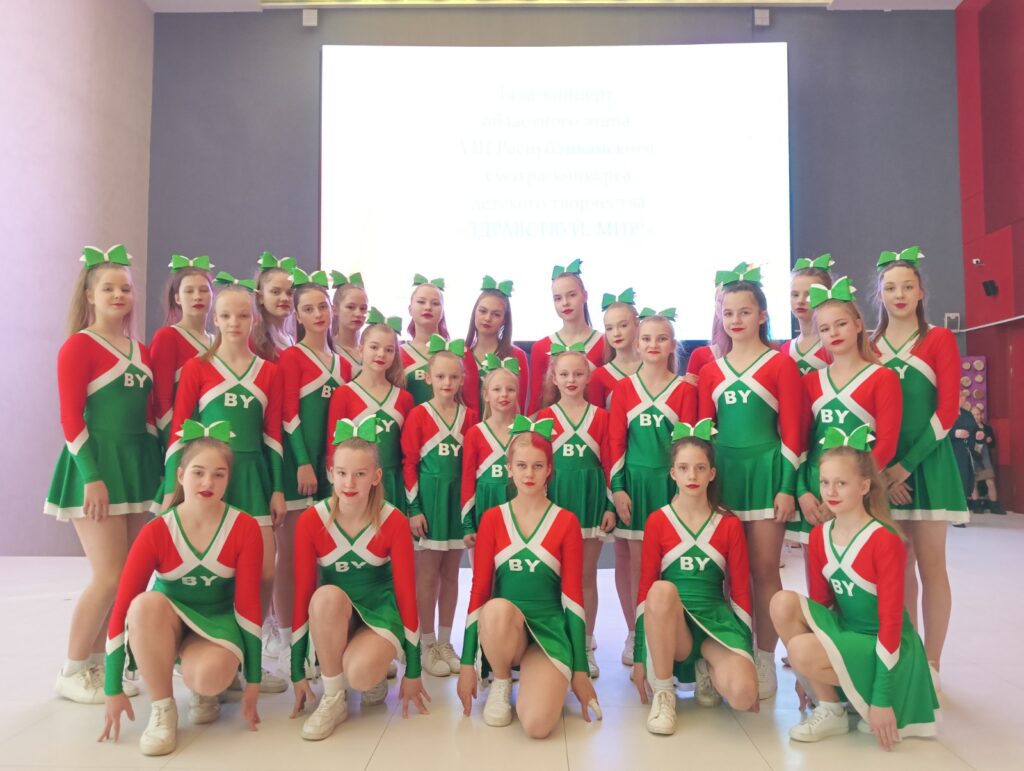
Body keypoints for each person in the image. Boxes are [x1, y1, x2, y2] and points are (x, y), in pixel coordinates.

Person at [99, 422, 262, 755]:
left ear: (228, 479)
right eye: (198, 472)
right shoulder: (157, 530)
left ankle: (205, 685)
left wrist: (254, 682)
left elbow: (248, 608)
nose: (208, 483)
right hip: (167, 622)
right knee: (143, 604)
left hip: (217, 622)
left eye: (218, 475)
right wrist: (112, 687)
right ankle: (163, 709)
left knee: (209, 678)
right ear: (181, 475)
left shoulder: (244, 527)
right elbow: (123, 607)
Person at [771, 428, 939, 749]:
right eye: (824, 483)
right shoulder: (819, 535)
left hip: (887, 645)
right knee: (782, 602)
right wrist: (810, 676)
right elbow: (820, 610)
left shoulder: (885, 540)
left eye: (841, 483)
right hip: (848, 634)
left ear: (864, 486)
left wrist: (882, 699)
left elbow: (891, 622)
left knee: (801, 650)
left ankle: (866, 694)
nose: (830, 492)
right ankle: (831, 706)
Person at [46, 245, 162, 704]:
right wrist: (91, 476)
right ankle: (72, 668)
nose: (118, 295)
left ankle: (97, 664)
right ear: (89, 295)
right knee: (108, 576)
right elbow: (70, 418)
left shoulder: (140, 350)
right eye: (108, 288)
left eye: (126, 289)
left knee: (128, 577)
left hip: (135, 468)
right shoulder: (78, 346)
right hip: (95, 469)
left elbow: (148, 418)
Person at [164, 276, 288, 693]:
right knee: (212, 567)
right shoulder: (196, 368)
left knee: (265, 570)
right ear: (214, 319)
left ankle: (248, 656)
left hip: (253, 477)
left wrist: (276, 488)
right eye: (226, 315)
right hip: (208, 479)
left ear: (254, 320)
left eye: (242, 315)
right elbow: (180, 432)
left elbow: (273, 435)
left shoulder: (269, 372)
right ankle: (206, 654)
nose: (234, 323)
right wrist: (173, 486)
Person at [697, 263, 804, 699]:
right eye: (728, 313)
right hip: (723, 478)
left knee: (763, 571)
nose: (736, 320)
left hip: (765, 476)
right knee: (720, 573)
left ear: (762, 315)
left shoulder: (780, 365)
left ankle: (764, 658)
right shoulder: (711, 370)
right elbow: (703, 434)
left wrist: (786, 486)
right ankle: (726, 654)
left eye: (745, 311)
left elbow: (793, 432)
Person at [456, 422, 601, 737]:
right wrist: (467, 663)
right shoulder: (493, 519)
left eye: (537, 466)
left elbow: (573, 599)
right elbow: (478, 592)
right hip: (506, 629)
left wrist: (580, 670)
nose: (529, 474)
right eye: (521, 465)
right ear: (509, 469)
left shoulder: (566, 521)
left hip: (548, 631)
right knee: (495, 607)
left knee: (537, 726)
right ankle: (501, 679)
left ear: (549, 470)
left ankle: (547, 675)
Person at [289, 418, 429, 740]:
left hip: (378, 613)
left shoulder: (393, 520)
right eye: (341, 473)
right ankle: (333, 698)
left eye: (360, 474)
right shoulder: (311, 521)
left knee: (361, 674)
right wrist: (296, 670)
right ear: (330, 473)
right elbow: (302, 595)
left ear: (376, 477)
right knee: (324, 596)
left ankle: (374, 664)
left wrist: (414, 670)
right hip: (335, 615)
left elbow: (407, 595)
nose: (349, 483)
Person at [872, 246, 969, 683]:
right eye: (891, 287)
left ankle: (932, 662)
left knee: (931, 564)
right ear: (879, 294)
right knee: (897, 565)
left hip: (928, 464)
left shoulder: (939, 339)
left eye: (907, 286)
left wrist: (905, 467)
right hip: (881, 470)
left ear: (920, 292)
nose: (899, 295)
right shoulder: (869, 346)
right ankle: (905, 654)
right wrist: (883, 472)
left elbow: (947, 411)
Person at [632, 420, 759, 735]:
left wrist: (746, 652)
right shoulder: (658, 521)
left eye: (700, 468)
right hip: (673, 628)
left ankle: (707, 667)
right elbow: (645, 590)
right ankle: (665, 693)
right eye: (684, 468)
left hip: (714, 625)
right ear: (672, 473)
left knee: (743, 695)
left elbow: (741, 591)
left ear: (712, 474)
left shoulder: (728, 523)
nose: (692, 476)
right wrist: (639, 656)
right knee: (660, 590)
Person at [610, 310, 697, 667]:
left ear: (673, 345)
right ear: (637, 343)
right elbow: (615, 443)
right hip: (635, 485)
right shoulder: (623, 389)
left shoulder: (684, 390)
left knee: (672, 563)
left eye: (662, 338)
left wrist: (685, 490)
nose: (653, 345)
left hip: (671, 486)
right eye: (646, 338)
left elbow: (688, 445)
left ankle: (674, 634)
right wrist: (618, 489)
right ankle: (637, 632)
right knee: (636, 564)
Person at [790, 278, 902, 544]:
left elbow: (887, 445)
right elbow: (800, 443)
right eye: (825, 328)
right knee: (818, 565)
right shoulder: (810, 382)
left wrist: (851, 489)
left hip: (863, 490)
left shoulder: (883, 378)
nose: (834, 333)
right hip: (817, 489)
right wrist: (802, 491)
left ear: (858, 325)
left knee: (862, 562)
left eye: (841, 324)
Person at [273, 269, 345, 663]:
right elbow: (289, 414)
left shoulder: (341, 363)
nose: (318, 314)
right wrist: (302, 461)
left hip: (328, 471)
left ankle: (319, 633)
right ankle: (287, 636)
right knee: (291, 556)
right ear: (297, 316)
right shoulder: (292, 357)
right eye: (309, 309)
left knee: (323, 554)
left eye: (323, 307)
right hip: (298, 469)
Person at [535, 352, 616, 676]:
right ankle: (555, 641)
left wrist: (610, 504)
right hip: (554, 501)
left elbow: (610, 463)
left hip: (589, 499)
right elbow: (535, 465)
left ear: (588, 378)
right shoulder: (543, 417)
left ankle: (584, 644)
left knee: (585, 575)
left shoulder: (601, 417)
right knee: (552, 574)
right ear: (554, 378)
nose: (571, 380)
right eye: (564, 374)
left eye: (578, 374)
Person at [402, 342, 477, 676]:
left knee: (452, 573)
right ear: (428, 378)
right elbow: (409, 464)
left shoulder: (470, 416)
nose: (447, 383)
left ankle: (446, 641)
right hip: (430, 502)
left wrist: (469, 510)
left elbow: (472, 466)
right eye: (441, 376)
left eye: (454, 377)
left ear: (462, 379)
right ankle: (426, 642)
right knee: (428, 573)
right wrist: (414, 508)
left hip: (457, 503)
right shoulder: (419, 415)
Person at [149, 255, 213, 447]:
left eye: (204, 290)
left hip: (214, 440)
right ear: (177, 298)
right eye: (189, 291)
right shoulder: (168, 337)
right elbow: (160, 401)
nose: (197, 296)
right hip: (181, 439)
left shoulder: (218, 341)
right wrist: (175, 445)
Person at [528, 260, 605, 413]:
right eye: (558, 298)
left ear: (585, 296)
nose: (565, 303)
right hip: (553, 426)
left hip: (595, 425)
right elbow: (536, 404)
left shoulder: (605, 343)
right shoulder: (541, 347)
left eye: (572, 295)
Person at [460, 364, 519, 546]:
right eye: (497, 389)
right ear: (486, 395)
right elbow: (468, 479)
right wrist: (468, 525)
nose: (504, 394)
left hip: (518, 504)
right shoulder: (475, 433)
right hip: (486, 503)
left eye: (510, 389)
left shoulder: (525, 431)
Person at [461, 276, 530, 414]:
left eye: (496, 314)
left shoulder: (517, 356)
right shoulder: (459, 355)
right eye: (483, 311)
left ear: (504, 320)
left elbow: (520, 406)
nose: (487, 318)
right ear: (474, 312)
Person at [780, 255, 834, 374]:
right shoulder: (785, 350)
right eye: (795, 295)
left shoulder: (834, 343)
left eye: (809, 295)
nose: (800, 301)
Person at [401, 275, 449, 405]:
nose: (428, 307)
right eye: (421, 302)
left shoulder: (456, 351)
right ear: (410, 309)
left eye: (435, 303)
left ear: (442, 311)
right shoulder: (397, 354)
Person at [250, 252, 296, 362]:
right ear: (260, 297)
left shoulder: (294, 339)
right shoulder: (253, 339)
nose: (285, 298)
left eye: (290, 293)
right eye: (276, 292)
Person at [330, 271, 367, 379]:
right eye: (350, 307)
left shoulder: (370, 350)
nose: (358, 314)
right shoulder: (328, 349)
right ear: (335, 309)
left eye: (363, 308)